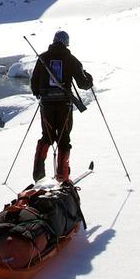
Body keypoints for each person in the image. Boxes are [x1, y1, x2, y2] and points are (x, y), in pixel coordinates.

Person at [29, 30, 93, 183]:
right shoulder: (71, 59)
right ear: (66, 43)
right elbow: (83, 84)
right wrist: (89, 78)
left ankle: (38, 174)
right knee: (63, 139)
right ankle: (62, 176)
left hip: (46, 106)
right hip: (64, 105)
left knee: (47, 137)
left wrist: (39, 94)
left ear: (54, 41)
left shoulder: (42, 58)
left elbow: (34, 82)